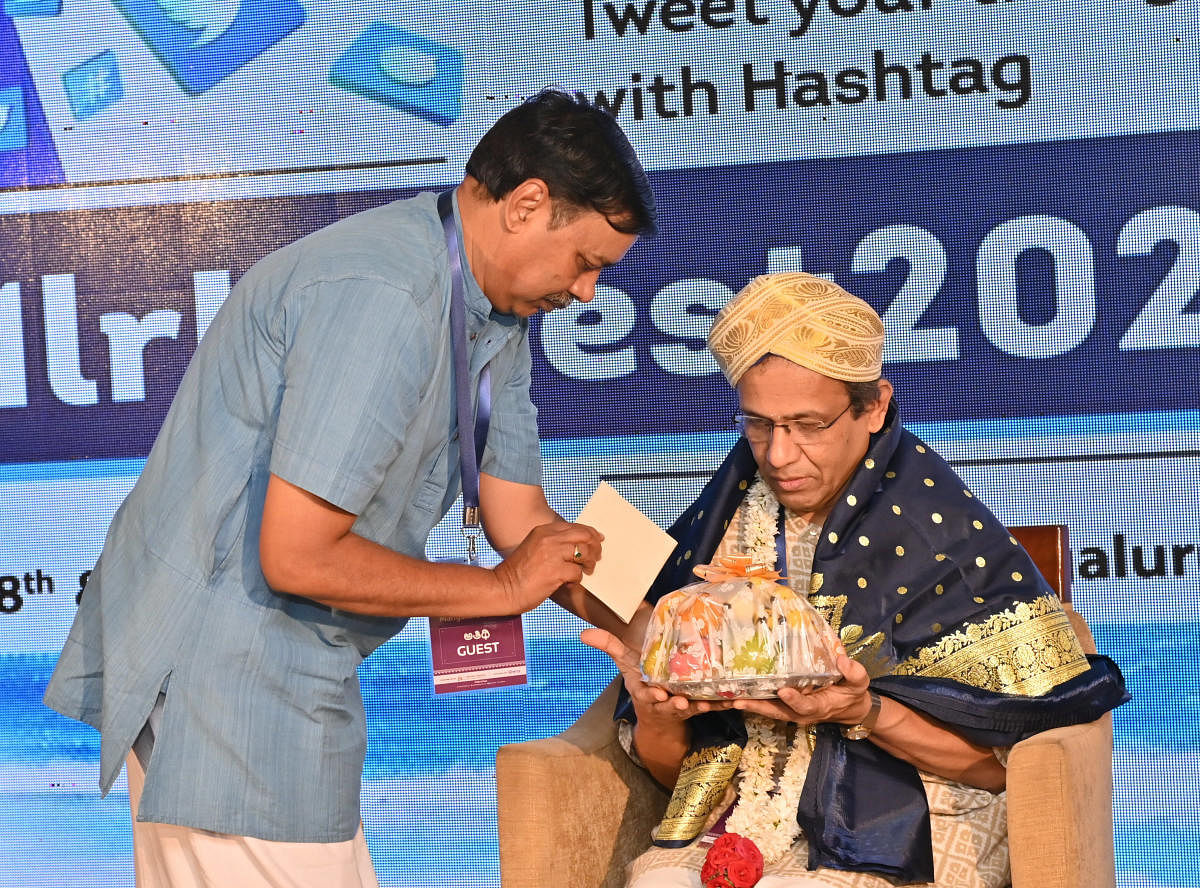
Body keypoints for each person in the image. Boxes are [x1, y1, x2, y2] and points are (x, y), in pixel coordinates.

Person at [43, 89, 656, 887]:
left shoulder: (496, 314)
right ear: (527, 204)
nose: (587, 295)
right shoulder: (387, 294)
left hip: (294, 673)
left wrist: (670, 630)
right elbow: (297, 556)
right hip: (224, 674)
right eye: (586, 263)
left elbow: (522, 518)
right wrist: (500, 588)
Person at [583, 272, 1127, 888]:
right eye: (759, 424)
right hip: (744, 815)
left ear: (874, 407)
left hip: (916, 812)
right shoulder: (728, 523)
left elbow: (1002, 770)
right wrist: (658, 715)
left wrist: (863, 710)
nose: (779, 456)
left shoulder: (941, 538)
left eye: (808, 425)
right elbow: (672, 768)